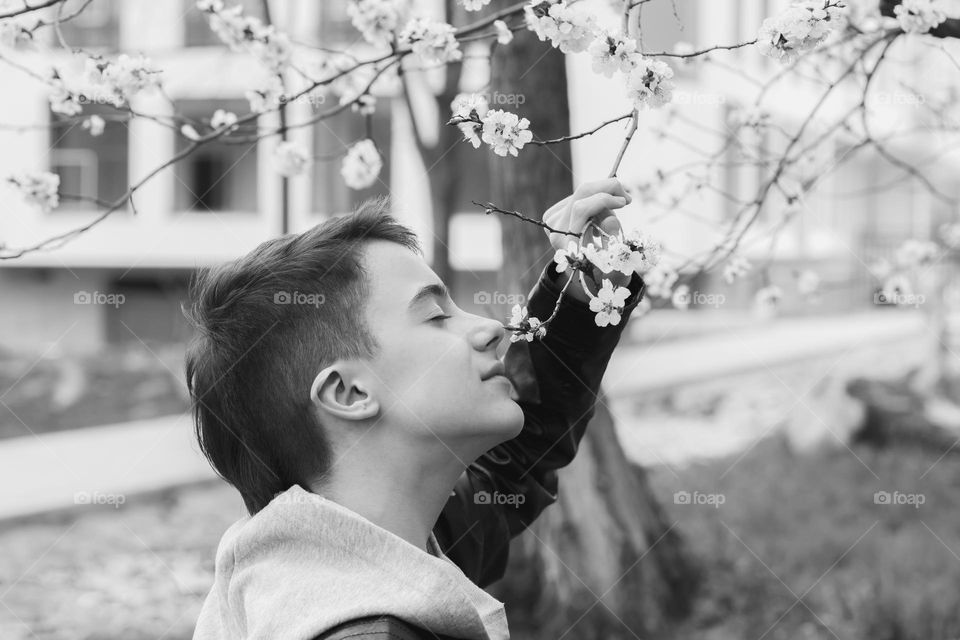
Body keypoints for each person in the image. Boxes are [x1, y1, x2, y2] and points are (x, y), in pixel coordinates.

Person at [185, 179, 646, 640]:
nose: (490, 327)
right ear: (348, 393)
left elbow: (512, 466)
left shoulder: (355, 553)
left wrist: (583, 294)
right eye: (435, 316)